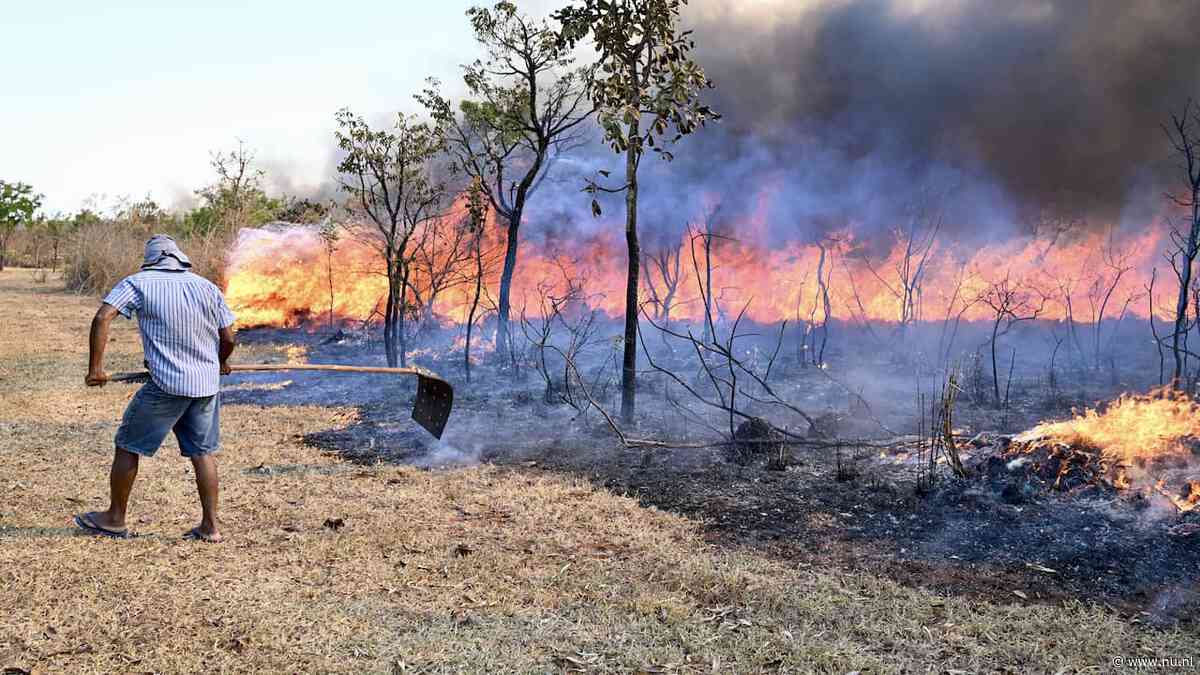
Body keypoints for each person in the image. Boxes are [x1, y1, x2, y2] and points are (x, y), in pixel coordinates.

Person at [76, 234, 237, 542]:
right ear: (181, 258)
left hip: (166, 384)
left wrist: (95, 368)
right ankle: (210, 526)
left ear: (150, 260)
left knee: (128, 445)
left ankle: (113, 519)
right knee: (203, 453)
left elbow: (102, 317)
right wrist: (220, 362)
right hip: (205, 385)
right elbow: (228, 339)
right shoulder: (207, 287)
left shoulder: (138, 282)